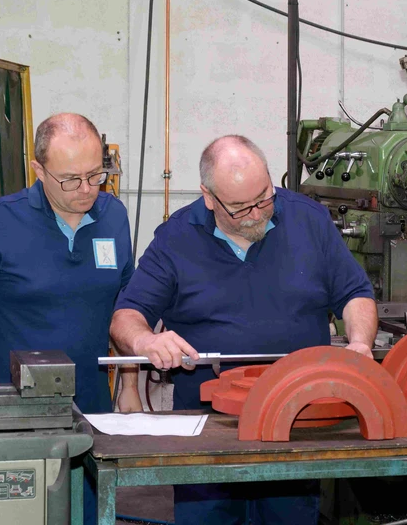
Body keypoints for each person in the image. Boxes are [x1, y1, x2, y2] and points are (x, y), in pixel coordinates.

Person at [110, 134, 378, 525]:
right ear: (208, 196)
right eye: (239, 207)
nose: (256, 213)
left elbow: (355, 292)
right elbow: (126, 315)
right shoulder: (176, 238)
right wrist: (146, 339)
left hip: (297, 420)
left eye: (264, 197)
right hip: (207, 430)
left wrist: (359, 342)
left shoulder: (310, 220)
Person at [0, 113, 141, 414]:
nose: (86, 189)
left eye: (95, 175)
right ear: (40, 171)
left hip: (92, 405)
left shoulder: (114, 217)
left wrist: (130, 387)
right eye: (71, 179)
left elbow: (126, 311)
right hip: (11, 407)